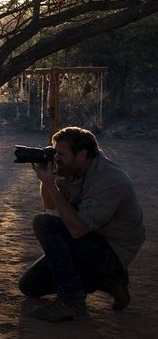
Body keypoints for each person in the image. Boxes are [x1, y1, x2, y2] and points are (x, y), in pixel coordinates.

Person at [18, 126, 145, 322]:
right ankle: (109, 282)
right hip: (90, 241)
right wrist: (46, 177)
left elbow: (77, 230)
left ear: (82, 154)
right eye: (55, 152)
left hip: (113, 250)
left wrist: (52, 184)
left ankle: (72, 300)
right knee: (29, 286)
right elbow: (51, 206)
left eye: (61, 154)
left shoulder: (111, 180)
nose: (56, 158)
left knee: (43, 223)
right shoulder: (73, 169)